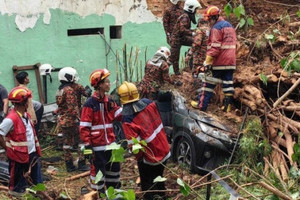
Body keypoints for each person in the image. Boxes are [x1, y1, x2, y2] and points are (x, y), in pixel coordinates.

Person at [118, 81, 170, 200]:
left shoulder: (128, 119)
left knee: (148, 187)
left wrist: (139, 159)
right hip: (164, 149)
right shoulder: (149, 103)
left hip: (150, 157)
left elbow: (135, 148)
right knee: (159, 180)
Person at [80, 69, 122, 195]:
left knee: (114, 173)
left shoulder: (109, 101)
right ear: (99, 85)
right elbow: (84, 127)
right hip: (97, 148)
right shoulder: (89, 104)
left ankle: (114, 196)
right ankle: (98, 196)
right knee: (98, 176)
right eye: (107, 82)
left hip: (111, 144)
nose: (109, 84)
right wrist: (87, 148)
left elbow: (120, 115)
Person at [191, 5, 237, 112]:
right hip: (231, 61)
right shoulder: (229, 26)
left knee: (208, 82)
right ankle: (227, 106)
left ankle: (201, 105)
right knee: (228, 83)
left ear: (214, 17)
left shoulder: (216, 28)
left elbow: (215, 47)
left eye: (209, 19)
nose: (208, 22)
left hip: (220, 61)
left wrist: (207, 62)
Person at [0, 86, 43, 197]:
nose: (30, 102)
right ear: (24, 102)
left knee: (37, 182)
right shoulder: (11, 119)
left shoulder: (26, 115)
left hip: (31, 154)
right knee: (18, 187)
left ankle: (37, 195)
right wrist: (8, 149)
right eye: (28, 100)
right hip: (18, 156)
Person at [56, 67, 89, 172]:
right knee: (81, 141)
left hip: (62, 121)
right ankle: (82, 163)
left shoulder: (60, 89)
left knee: (67, 144)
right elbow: (73, 108)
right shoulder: (69, 90)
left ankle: (69, 165)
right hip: (72, 121)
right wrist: (79, 119)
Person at [169, 0, 201, 75]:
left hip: (181, 38)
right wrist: (193, 33)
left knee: (196, 42)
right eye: (195, 9)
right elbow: (182, 29)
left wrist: (196, 31)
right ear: (191, 8)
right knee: (173, 58)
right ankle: (174, 73)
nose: (196, 11)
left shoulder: (186, 16)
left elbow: (185, 30)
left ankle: (191, 60)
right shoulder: (185, 17)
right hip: (176, 40)